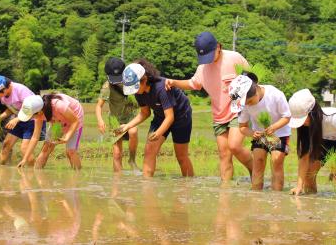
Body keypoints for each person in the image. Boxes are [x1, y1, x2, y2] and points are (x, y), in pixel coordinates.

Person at [165, 31, 252, 181]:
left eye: (210, 55)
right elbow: (193, 84)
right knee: (224, 154)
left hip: (238, 110)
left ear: (218, 47)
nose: (208, 60)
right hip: (219, 115)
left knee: (234, 145)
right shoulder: (203, 68)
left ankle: (255, 170)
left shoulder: (234, 58)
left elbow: (252, 78)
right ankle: (225, 192)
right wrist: (174, 82)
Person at [116, 60, 194, 177]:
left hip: (181, 116)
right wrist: (127, 126)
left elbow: (170, 117)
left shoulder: (161, 88)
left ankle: (188, 186)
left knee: (181, 156)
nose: (135, 91)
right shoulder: (139, 92)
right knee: (149, 151)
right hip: (160, 116)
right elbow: (145, 113)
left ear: (145, 80)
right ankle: (147, 187)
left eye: (136, 87)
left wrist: (158, 133)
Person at [287, 89, 336, 195]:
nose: (301, 124)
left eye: (303, 119)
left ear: (313, 113)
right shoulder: (305, 127)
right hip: (323, 139)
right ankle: (311, 204)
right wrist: (299, 186)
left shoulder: (335, 118)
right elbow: (304, 156)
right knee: (309, 173)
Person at [231, 72, 291, 191]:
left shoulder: (275, 94)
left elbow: (287, 116)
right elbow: (242, 127)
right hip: (259, 134)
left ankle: (277, 197)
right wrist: (252, 133)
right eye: (245, 103)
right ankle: (256, 195)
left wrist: (274, 127)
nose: (248, 105)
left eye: (250, 101)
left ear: (256, 90)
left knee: (276, 161)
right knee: (258, 161)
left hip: (279, 132)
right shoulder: (244, 105)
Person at [0, 75, 45, 165]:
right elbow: (12, 108)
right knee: (6, 145)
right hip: (19, 119)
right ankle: (1, 173)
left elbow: (31, 109)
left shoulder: (21, 91)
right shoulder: (3, 95)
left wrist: (17, 119)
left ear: (4, 89)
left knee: (24, 149)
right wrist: (1, 117)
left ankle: (34, 172)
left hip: (32, 120)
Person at [16, 93, 83, 170]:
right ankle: (37, 172)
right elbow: (35, 137)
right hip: (57, 122)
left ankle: (77, 177)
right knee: (46, 147)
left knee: (70, 152)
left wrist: (67, 137)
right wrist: (25, 159)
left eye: (31, 115)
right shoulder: (38, 115)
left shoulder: (58, 105)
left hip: (74, 118)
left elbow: (75, 121)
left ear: (39, 111)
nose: (31, 118)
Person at [95, 57, 139, 172]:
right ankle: (117, 181)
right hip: (115, 120)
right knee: (117, 154)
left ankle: (132, 159)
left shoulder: (130, 80)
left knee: (133, 131)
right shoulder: (107, 87)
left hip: (130, 117)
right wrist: (100, 121)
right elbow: (98, 106)